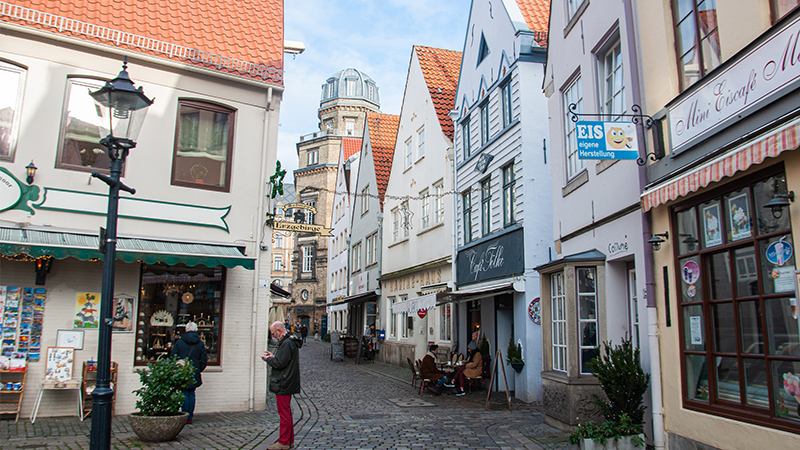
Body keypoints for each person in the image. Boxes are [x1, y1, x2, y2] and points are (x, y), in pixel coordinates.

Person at [262, 321, 303, 450]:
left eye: (273, 333)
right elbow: (283, 359)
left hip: (283, 381)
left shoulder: (286, 343)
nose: (273, 336)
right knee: (287, 412)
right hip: (288, 380)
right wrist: (274, 356)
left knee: (284, 413)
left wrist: (268, 359)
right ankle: (288, 440)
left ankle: (283, 442)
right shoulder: (289, 341)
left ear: (279, 330)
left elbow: (280, 364)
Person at [170, 322, 207, 424]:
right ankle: (190, 416)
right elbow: (203, 360)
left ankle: (184, 415)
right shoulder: (200, 343)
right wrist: (198, 369)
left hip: (182, 371)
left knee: (184, 393)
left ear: (186, 330)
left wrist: (177, 367)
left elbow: (173, 357)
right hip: (194, 371)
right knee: (191, 394)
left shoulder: (180, 342)